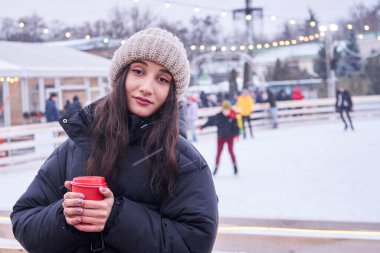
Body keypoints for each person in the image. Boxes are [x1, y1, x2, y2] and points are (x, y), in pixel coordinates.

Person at [11, 28, 218, 253]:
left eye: (162, 79)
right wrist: (64, 216)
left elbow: (194, 243)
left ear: (171, 91)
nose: (146, 88)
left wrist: (116, 217)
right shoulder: (76, 146)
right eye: (138, 71)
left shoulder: (185, 162)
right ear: (121, 76)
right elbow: (24, 220)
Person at [200, 100, 239, 175]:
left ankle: (235, 166)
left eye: (227, 110)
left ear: (230, 109)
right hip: (221, 137)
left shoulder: (233, 116)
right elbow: (210, 121)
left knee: (231, 151)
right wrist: (203, 126)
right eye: (225, 110)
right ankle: (216, 167)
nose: (226, 112)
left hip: (230, 137)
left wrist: (236, 134)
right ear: (222, 109)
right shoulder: (219, 116)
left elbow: (236, 127)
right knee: (219, 152)